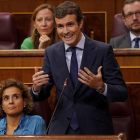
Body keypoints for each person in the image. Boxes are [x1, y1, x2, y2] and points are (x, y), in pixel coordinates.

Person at [30, 1, 128, 135]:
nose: (65, 31)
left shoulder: (102, 50)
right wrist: (36, 88)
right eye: (60, 26)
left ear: (80, 23)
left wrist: (101, 87)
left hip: (95, 127)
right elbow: (41, 94)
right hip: (61, 128)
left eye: (70, 24)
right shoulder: (51, 52)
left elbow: (122, 93)